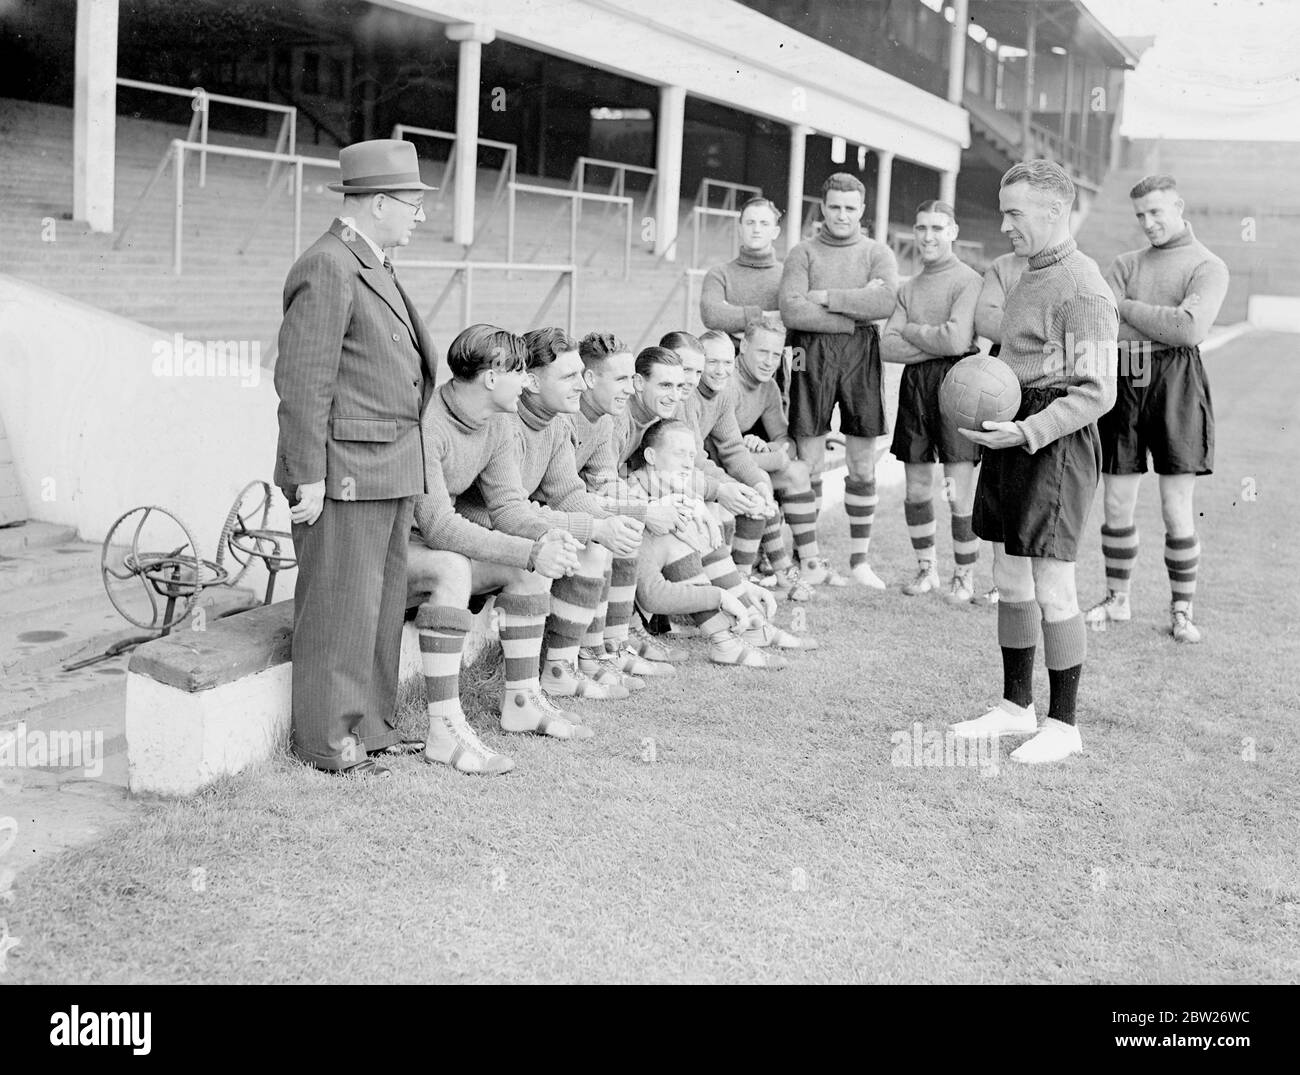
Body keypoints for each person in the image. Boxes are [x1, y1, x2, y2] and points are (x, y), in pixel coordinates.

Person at [273, 138, 438, 779]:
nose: (418, 216)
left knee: (377, 602)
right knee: (340, 607)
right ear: (375, 205)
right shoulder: (329, 265)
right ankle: (327, 741)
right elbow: (303, 383)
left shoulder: (368, 259)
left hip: (388, 465)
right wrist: (308, 477)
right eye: (412, 204)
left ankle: (367, 726)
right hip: (343, 473)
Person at [950, 159, 1118, 765]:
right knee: (1010, 575)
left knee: (1053, 583)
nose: (1005, 225)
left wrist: (1027, 431)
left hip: (1055, 443)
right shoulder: (1028, 273)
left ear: (1054, 210)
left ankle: (1064, 723)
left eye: (1015, 213)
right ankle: (1015, 706)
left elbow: (1100, 390)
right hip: (1015, 434)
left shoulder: (1085, 288)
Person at [408, 324, 590, 777]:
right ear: (492, 377)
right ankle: (443, 728)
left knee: (527, 563)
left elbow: (508, 505)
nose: (527, 382)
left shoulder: (497, 421)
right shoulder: (428, 421)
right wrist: (528, 550)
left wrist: (543, 537)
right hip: (392, 550)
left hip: (431, 544)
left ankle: (523, 700)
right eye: (521, 373)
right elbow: (438, 526)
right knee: (454, 567)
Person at [1084, 174, 1230, 644]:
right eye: (1140, 215)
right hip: (1124, 379)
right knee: (1116, 500)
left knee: (1175, 506)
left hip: (1177, 385)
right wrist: (1138, 317)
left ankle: (1181, 610)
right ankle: (1116, 598)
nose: (1148, 223)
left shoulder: (1208, 266)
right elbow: (1101, 325)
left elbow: (1189, 329)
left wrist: (1127, 307)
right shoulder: (1126, 262)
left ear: (1178, 206)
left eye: (1156, 212)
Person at [779, 172, 900, 589]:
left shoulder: (877, 253)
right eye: (834, 206)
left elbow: (885, 302)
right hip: (807, 354)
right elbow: (792, 311)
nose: (842, 215)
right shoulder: (802, 252)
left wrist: (828, 297)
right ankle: (807, 558)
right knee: (807, 459)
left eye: (850, 208)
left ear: (862, 210)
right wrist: (853, 312)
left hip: (861, 355)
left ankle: (859, 561)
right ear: (823, 206)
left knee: (862, 462)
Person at [628, 420, 809, 668]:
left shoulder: (674, 488)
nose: (687, 462)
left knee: (700, 523)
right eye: (679, 453)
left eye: (692, 455)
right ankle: (725, 642)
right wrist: (720, 596)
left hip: (655, 598)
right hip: (628, 614)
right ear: (651, 456)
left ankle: (750, 624)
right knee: (689, 528)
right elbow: (652, 596)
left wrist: (741, 588)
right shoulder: (634, 495)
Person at [880, 200, 983, 604]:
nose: (928, 236)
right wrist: (935, 338)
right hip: (916, 386)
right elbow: (888, 345)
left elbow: (958, 342)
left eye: (937, 228)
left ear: (953, 231)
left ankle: (964, 575)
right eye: (921, 228)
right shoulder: (909, 287)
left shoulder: (969, 280)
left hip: (958, 383)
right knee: (918, 485)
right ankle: (926, 569)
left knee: (958, 488)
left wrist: (914, 331)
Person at [572, 331, 692, 674]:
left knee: (636, 520)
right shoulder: (607, 416)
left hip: (578, 504)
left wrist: (648, 504)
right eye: (622, 379)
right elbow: (572, 491)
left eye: (680, 385)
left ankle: (617, 641)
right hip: (544, 516)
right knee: (616, 533)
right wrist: (643, 508)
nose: (629, 387)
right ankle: (593, 651)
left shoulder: (610, 416)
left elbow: (605, 480)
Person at [731, 314, 826, 599]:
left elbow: (786, 444)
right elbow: (726, 455)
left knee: (797, 472)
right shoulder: (728, 382)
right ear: (744, 345)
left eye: (775, 354)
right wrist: (773, 457)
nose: (769, 361)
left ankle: (810, 563)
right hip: (711, 465)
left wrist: (769, 450)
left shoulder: (768, 386)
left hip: (742, 460)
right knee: (762, 479)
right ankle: (747, 576)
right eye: (762, 351)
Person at [972, 248, 1030, 606]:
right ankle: (1003, 581)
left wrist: (1010, 317)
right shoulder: (1002, 265)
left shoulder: (1072, 268)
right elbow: (985, 321)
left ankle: (1030, 583)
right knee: (999, 480)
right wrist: (1033, 327)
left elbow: (1066, 334)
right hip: (997, 378)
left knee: (1031, 484)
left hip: (1044, 382)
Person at [700, 196, 785, 350]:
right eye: (750, 223)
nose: (756, 230)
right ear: (740, 229)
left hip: (773, 363)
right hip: (728, 363)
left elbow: (793, 319)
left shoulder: (787, 274)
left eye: (764, 223)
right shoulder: (719, 273)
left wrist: (736, 321)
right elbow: (712, 315)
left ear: (775, 232)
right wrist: (769, 317)